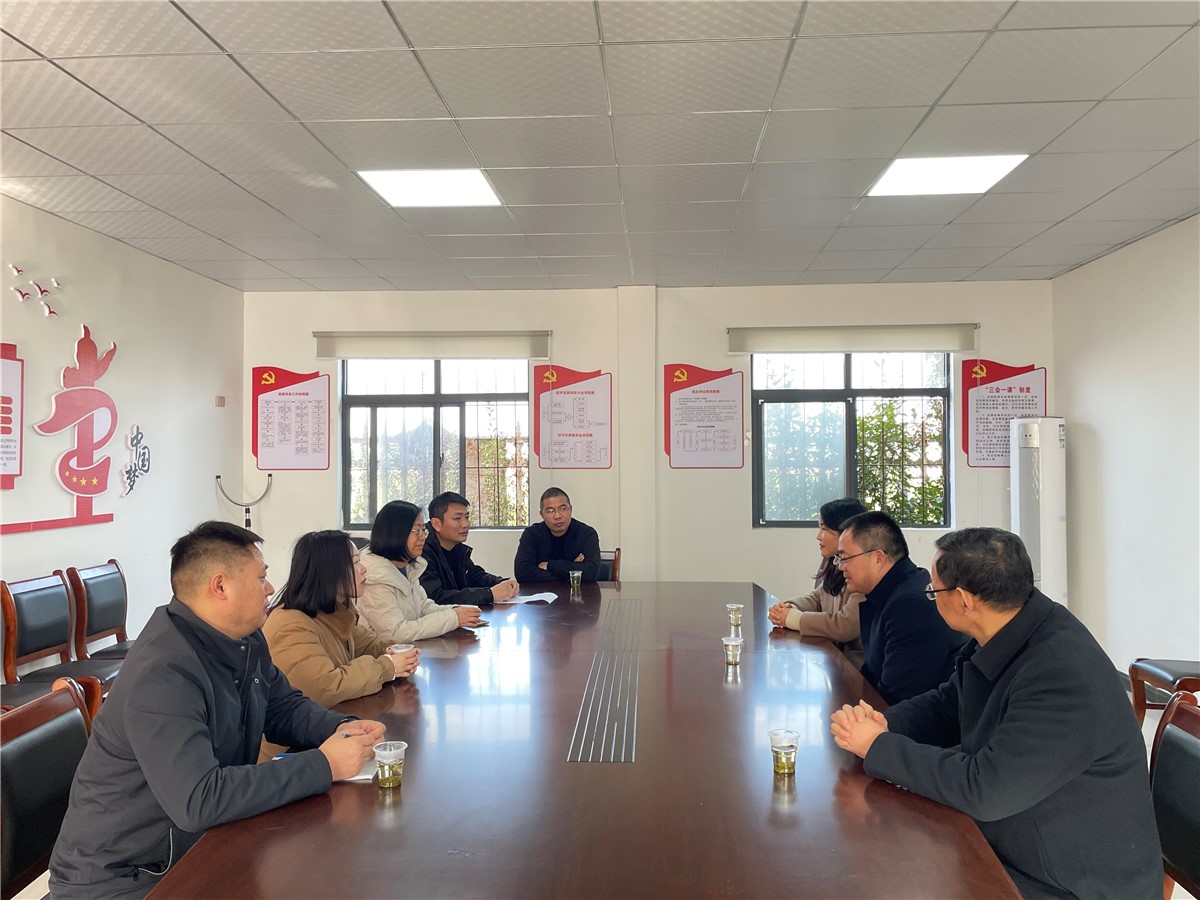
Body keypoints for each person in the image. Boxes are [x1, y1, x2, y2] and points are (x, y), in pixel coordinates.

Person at [48, 521, 386, 899]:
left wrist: (343, 728)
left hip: (196, 844)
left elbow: (282, 707)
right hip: (125, 877)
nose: (270, 588)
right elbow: (200, 799)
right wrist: (325, 764)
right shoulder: (162, 674)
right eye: (261, 577)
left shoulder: (243, 638)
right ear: (220, 586)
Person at [830, 527, 1161, 899]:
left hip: (1069, 882)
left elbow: (985, 789)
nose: (930, 598)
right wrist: (886, 723)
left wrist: (879, 747)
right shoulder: (1013, 628)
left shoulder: (1062, 672)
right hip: (1020, 841)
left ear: (964, 601)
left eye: (933, 591)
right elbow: (950, 703)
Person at [260, 530, 421, 761]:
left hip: (324, 737)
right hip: (288, 755)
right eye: (355, 563)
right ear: (329, 571)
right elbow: (325, 688)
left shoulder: (333, 611)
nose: (363, 570)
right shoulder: (291, 624)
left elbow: (370, 644)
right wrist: (388, 666)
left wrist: (398, 650)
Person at [836, 511, 966, 704]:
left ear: (878, 558)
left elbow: (898, 697)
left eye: (845, 558)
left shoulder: (909, 605)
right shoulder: (895, 589)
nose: (840, 566)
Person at [356, 499, 482, 641]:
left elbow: (424, 608)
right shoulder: (374, 577)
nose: (423, 537)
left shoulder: (407, 567)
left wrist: (457, 611)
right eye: (417, 531)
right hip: (385, 653)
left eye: (424, 530)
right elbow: (396, 633)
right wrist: (454, 618)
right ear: (396, 533)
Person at [767, 497, 867, 641]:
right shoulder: (833, 561)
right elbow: (817, 599)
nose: (818, 536)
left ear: (846, 532)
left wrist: (794, 619)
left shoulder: (861, 570)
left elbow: (844, 626)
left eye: (824, 529)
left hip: (848, 655)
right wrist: (788, 607)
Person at [420, 491, 519, 606]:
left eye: (466, 517)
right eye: (457, 518)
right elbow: (436, 597)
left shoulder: (456, 547)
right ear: (436, 524)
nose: (465, 524)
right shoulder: (422, 551)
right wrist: (490, 594)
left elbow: (475, 576)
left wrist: (502, 582)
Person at [513, 487, 601, 583]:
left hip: (578, 592)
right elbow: (522, 572)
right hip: (542, 592)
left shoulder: (586, 534)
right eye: (550, 511)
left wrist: (549, 566)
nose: (557, 516)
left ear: (570, 509)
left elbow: (592, 572)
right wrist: (570, 572)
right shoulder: (531, 534)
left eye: (563, 509)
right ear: (542, 514)